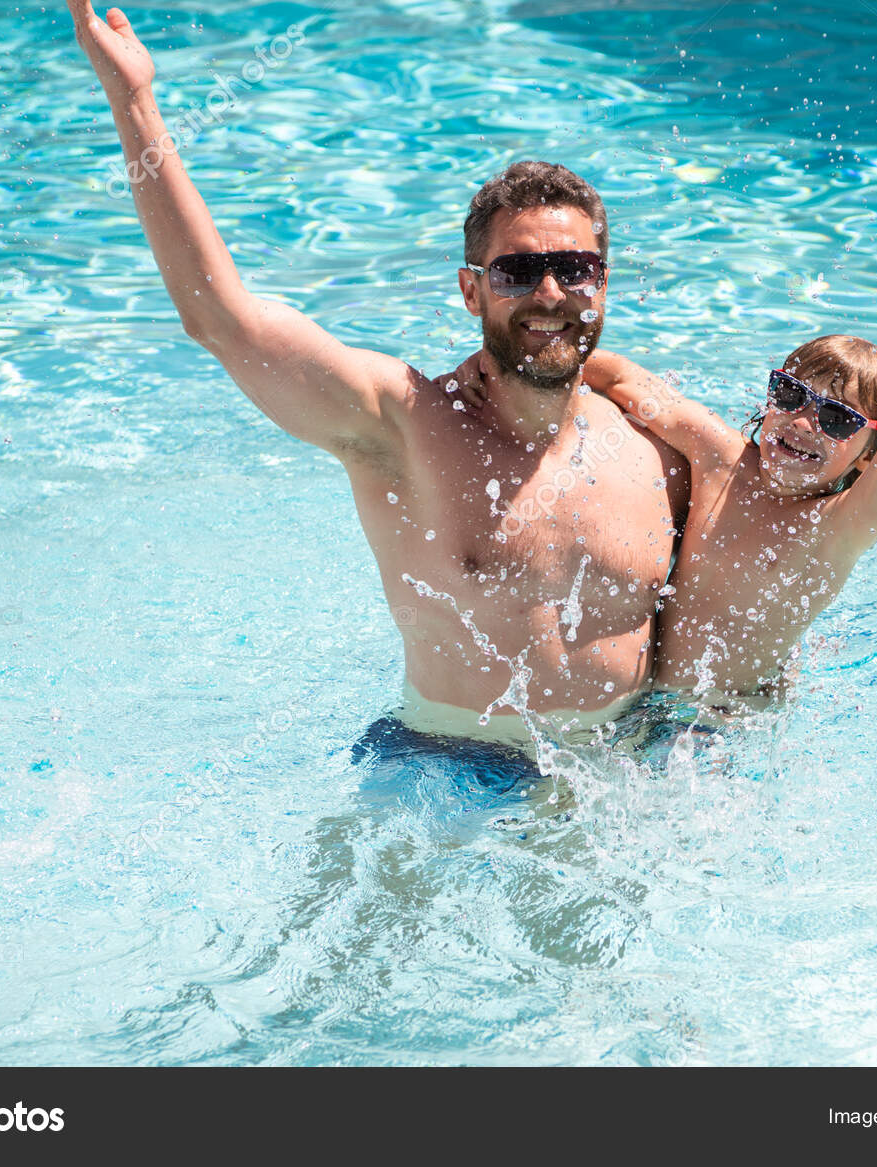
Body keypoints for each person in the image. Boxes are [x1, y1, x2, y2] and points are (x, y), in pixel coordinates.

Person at [65, 4, 687, 747]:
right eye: (518, 271)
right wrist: (133, 101)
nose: (550, 293)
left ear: (603, 284)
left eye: (573, 269)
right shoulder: (403, 425)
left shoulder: (659, 445)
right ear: (471, 291)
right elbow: (220, 319)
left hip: (622, 764)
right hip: (449, 769)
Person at [451, 252, 877, 699]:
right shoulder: (723, 459)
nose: (804, 422)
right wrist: (498, 364)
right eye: (791, 394)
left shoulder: (835, 527)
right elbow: (625, 380)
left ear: (867, 456)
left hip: (724, 719)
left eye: (836, 418)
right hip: (645, 702)